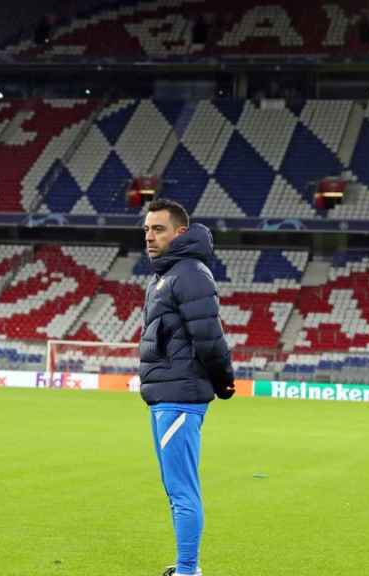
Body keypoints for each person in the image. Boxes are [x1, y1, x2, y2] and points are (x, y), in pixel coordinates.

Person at [139, 198, 235, 576]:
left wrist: (223, 379)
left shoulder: (190, 273)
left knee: (182, 491)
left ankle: (188, 570)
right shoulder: (167, 275)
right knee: (174, 489)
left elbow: (209, 335)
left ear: (181, 232)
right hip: (166, 394)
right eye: (146, 229)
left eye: (158, 228)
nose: (149, 236)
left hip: (180, 396)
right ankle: (184, 566)